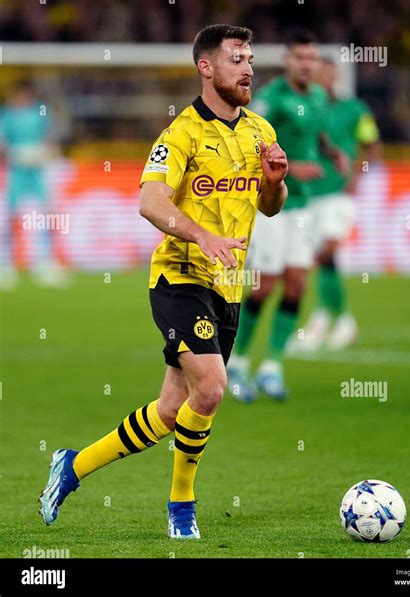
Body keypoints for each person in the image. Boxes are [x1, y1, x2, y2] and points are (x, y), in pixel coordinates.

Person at [38, 24, 288, 540]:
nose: (248, 68)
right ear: (207, 68)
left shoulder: (261, 130)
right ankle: (181, 506)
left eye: (250, 58)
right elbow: (150, 201)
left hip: (227, 287)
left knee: (175, 411)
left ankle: (72, 465)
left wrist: (274, 182)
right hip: (179, 277)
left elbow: (269, 208)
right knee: (214, 388)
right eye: (237, 59)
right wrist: (200, 235)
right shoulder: (181, 134)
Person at [226, 30, 347, 402]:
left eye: (312, 58)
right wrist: (291, 168)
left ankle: (272, 366)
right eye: (300, 58)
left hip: (305, 206)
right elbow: (246, 150)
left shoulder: (316, 97)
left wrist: (333, 153)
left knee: (297, 285)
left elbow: (318, 133)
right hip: (271, 207)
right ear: (287, 61)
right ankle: (238, 363)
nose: (307, 64)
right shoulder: (270, 100)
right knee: (265, 285)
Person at [294, 57, 381, 351]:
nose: (326, 80)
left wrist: (359, 174)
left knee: (327, 250)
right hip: (311, 194)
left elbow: (372, 144)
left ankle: (337, 319)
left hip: (339, 193)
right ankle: (328, 317)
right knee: (323, 257)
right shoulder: (308, 109)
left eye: (330, 75)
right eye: (321, 75)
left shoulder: (355, 109)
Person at [0, 81, 65, 290]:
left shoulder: (40, 112)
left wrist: (45, 152)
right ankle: (5, 264)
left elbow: (50, 137)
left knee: (47, 215)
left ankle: (44, 263)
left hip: (37, 170)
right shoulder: (7, 114)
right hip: (16, 170)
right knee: (9, 216)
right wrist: (14, 153)